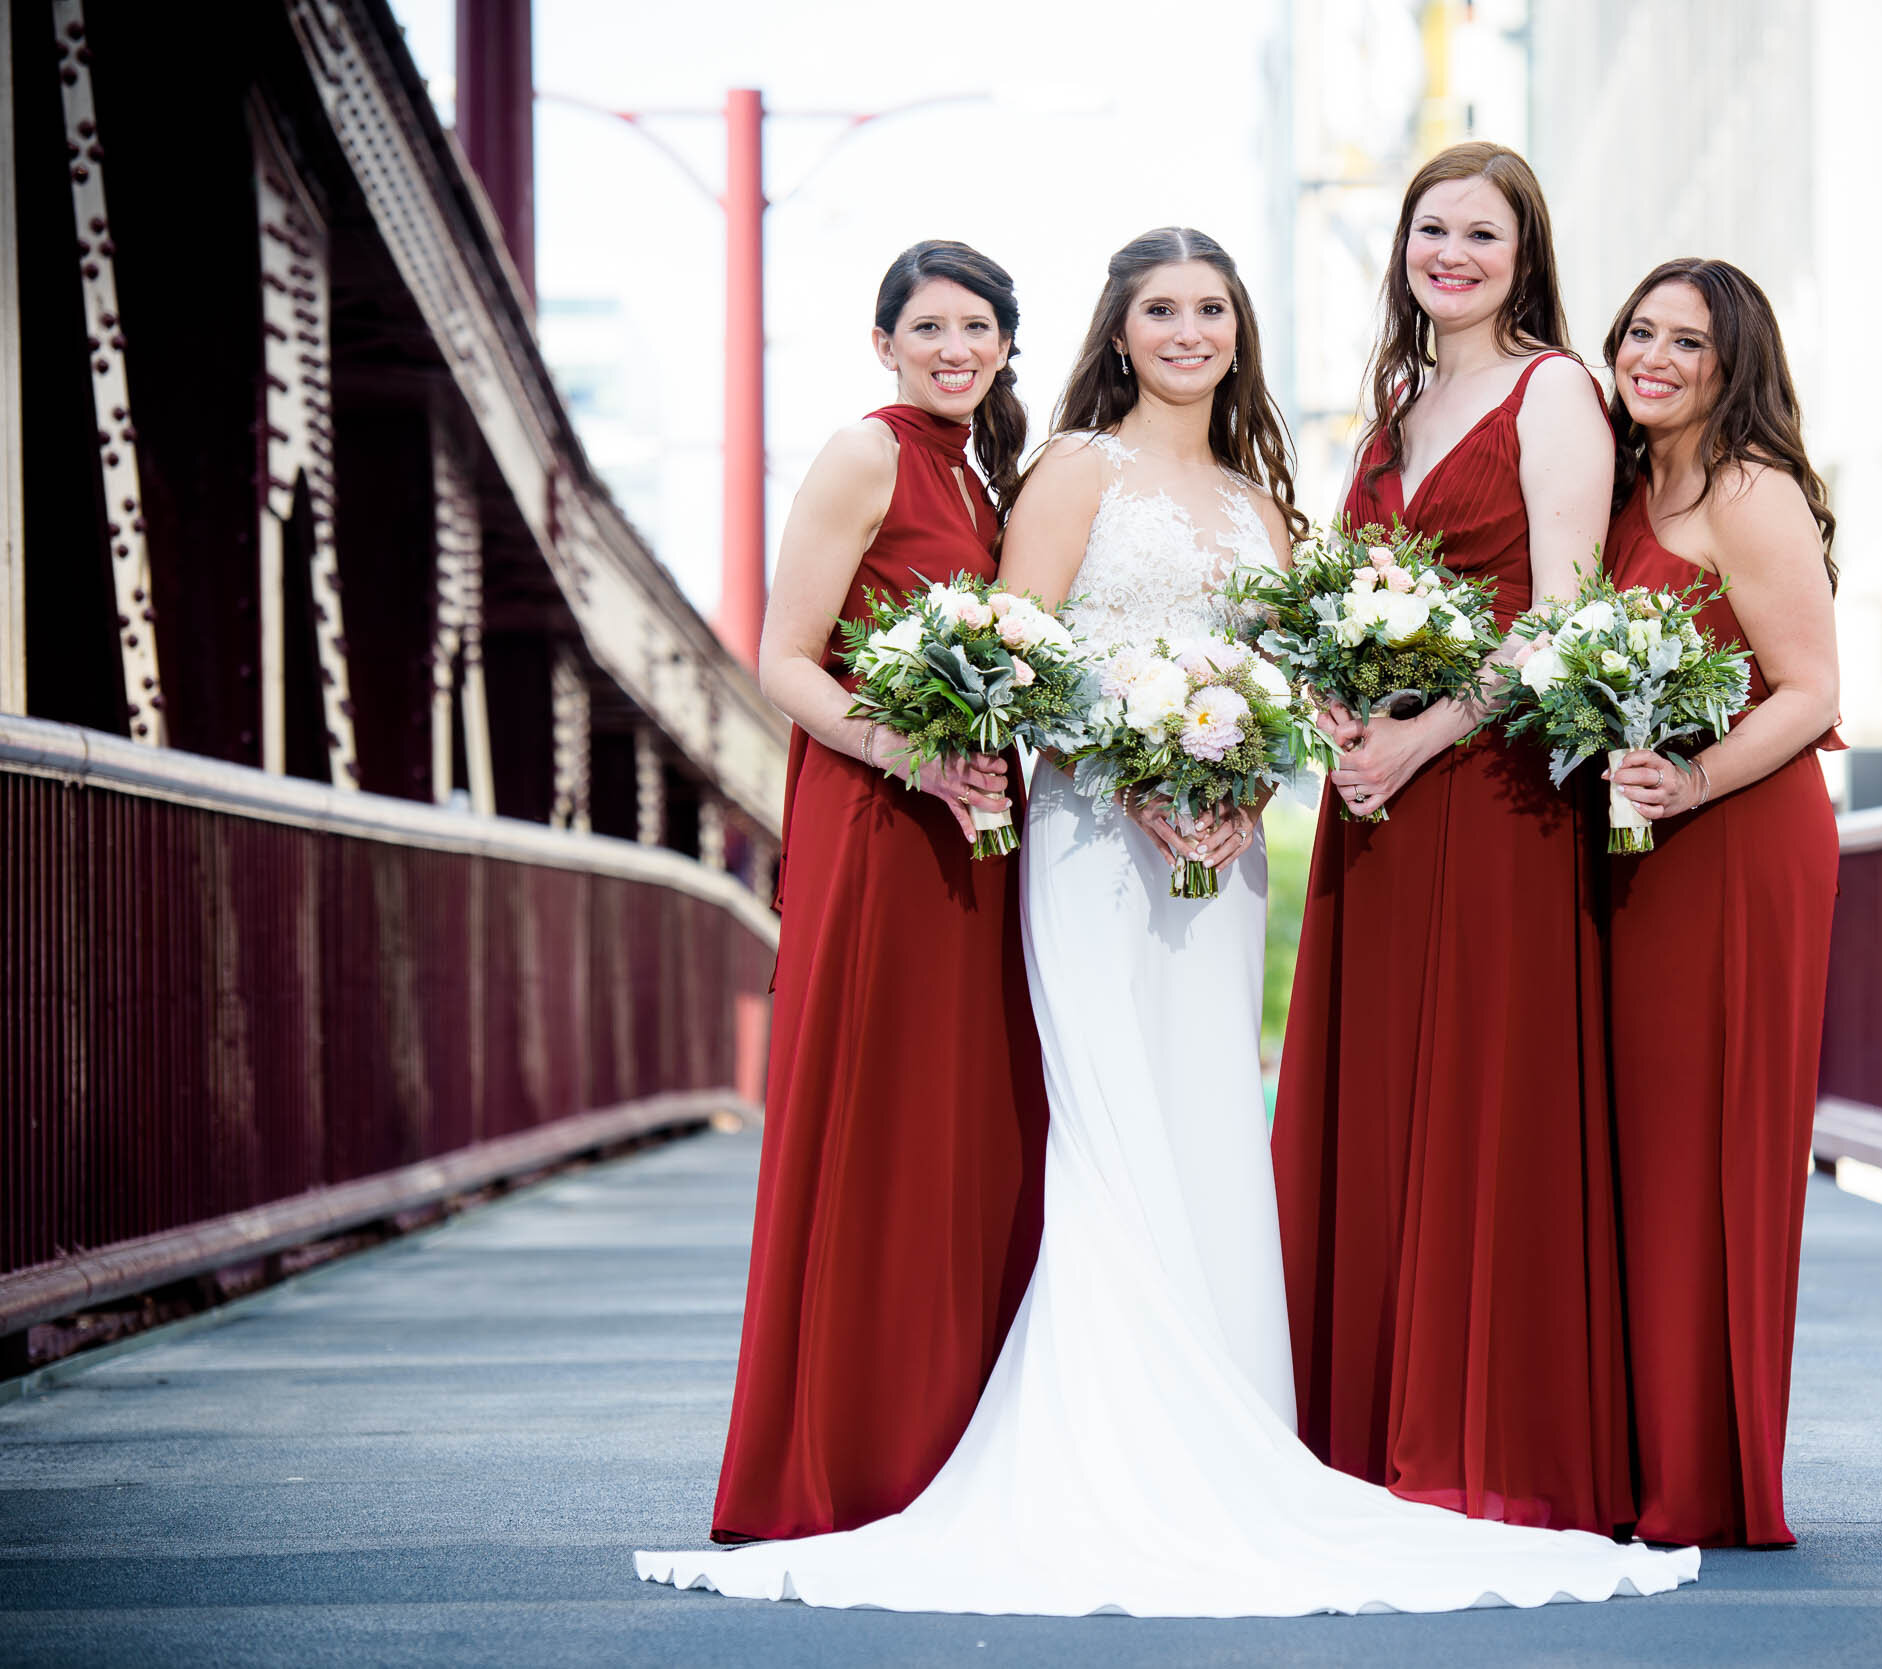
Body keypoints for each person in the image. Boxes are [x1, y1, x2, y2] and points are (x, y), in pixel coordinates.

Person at [635, 228, 1695, 1615]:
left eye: (1210, 308)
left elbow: (1283, 681)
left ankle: (1231, 1438)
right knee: (1111, 1125)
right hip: (1088, 840)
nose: (1187, 331)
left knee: (1205, 1125)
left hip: (1222, 854)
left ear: (1239, 331)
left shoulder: (1266, 509)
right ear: (1117, 333)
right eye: (1159, 311)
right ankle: (1107, 1455)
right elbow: (1025, 651)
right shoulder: (1074, 468)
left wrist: (1247, 790)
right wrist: (1135, 779)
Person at [1270, 143, 1638, 1537]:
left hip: (1488, 803)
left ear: (1523, 251)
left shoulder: (1556, 396)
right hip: (1372, 797)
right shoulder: (1397, 403)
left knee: (1482, 1102)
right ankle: (1359, 1430)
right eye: (1432, 230)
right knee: (1375, 1104)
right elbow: (1332, 594)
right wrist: (1336, 719)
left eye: (1481, 233)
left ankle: (1480, 1436)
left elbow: (1562, 610)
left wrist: (1424, 737)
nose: (1453, 255)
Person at [704, 240, 1047, 1545]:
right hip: (880, 820)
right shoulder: (871, 453)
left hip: (973, 827)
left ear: (1006, 345)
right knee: (875, 1122)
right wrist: (916, 757)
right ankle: (840, 1456)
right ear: (885, 341)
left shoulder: (983, 470)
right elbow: (785, 658)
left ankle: (939, 1439)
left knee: (960, 1130)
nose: (954, 347)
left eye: (976, 328)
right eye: (929, 327)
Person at [1595, 257, 1843, 1549]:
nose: (1655, 356)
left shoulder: (1751, 490)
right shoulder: (1631, 481)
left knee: (1718, 1152)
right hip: (1643, 843)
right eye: (1640, 331)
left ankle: (1712, 1474)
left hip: (1738, 841)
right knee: (1643, 1148)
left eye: (1686, 340)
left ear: (1732, 360)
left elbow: (1808, 690)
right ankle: (1639, 1451)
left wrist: (1688, 780)